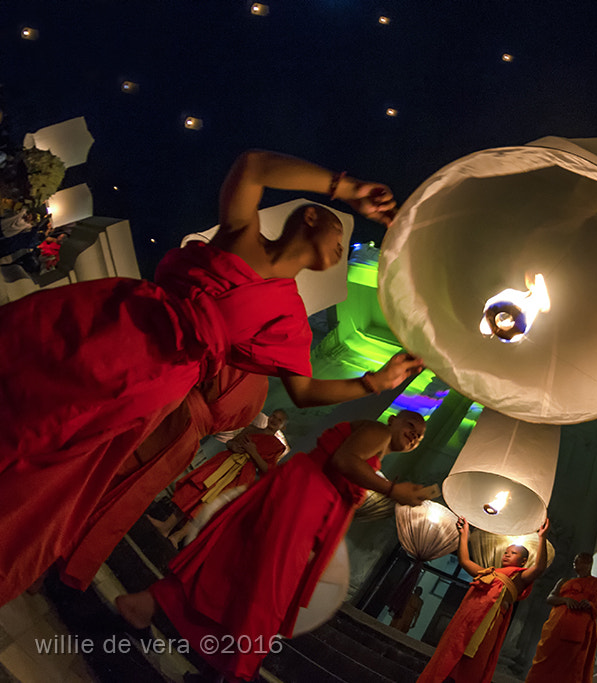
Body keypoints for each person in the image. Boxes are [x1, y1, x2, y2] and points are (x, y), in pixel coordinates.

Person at [0, 149, 423, 606]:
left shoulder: (289, 319)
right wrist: (349, 188)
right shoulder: (240, 236)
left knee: (57, 455)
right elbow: (253, 167)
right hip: (115, 321)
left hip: (154, 380)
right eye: (340, 233)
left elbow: (302, 390)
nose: (343, 249)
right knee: (20, 388)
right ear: (312, 218)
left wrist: (374, 383)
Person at [116, 410, 431, 681]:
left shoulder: (375, 448)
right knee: (268, 590)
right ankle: (231, 670)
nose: (414, 437)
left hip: (302, 503)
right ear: (393, 419)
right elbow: (344, 460)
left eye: (419, 438)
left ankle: (153, 615)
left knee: (245, 576)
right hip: (301, 500)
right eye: (411, 428)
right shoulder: (376, 430)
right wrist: (392, 489)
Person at [58, 366, 269, 591]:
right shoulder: (259, 392)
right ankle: (75, 560)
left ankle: (56, 539)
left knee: (107, 474)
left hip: (170, 412)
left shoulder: (234, 359)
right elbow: (228, 433)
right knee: (128, 500)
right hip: (186, 439)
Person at [417, 516, 550, 683]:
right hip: (467, 621)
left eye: (513, 553)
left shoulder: (519, 577)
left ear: (523, 561)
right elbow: (465, 561)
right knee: (450, 654)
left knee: (473, 661)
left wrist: (542, 537)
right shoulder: (491, 572)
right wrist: (464, 535)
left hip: (487, 624)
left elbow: (539, 567)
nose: (507, 555)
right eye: (506, 552)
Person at [149, 409, 289, 547]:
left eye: (279, 420)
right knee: (196, 491)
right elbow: (231, 442)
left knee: (209, 503)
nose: (274, 420)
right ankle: (166, 526)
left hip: (241, 474)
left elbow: (267, 470)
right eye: (274, 416)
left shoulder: (277, 447)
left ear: (283, 426)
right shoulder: (252, 429)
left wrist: (253, 452)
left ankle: (177, 537)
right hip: (224, 461)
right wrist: (233, 446)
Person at [524, 552, 597, 683]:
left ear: (588, 563)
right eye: (574, 562)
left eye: (578, 562)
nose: (575, 565)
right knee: (546, 659)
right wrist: (565, 600)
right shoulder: (564, 581)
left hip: (579, 628)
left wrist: (590, 604)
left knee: (571, 664)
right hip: (556, 625)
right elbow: (550, 598)